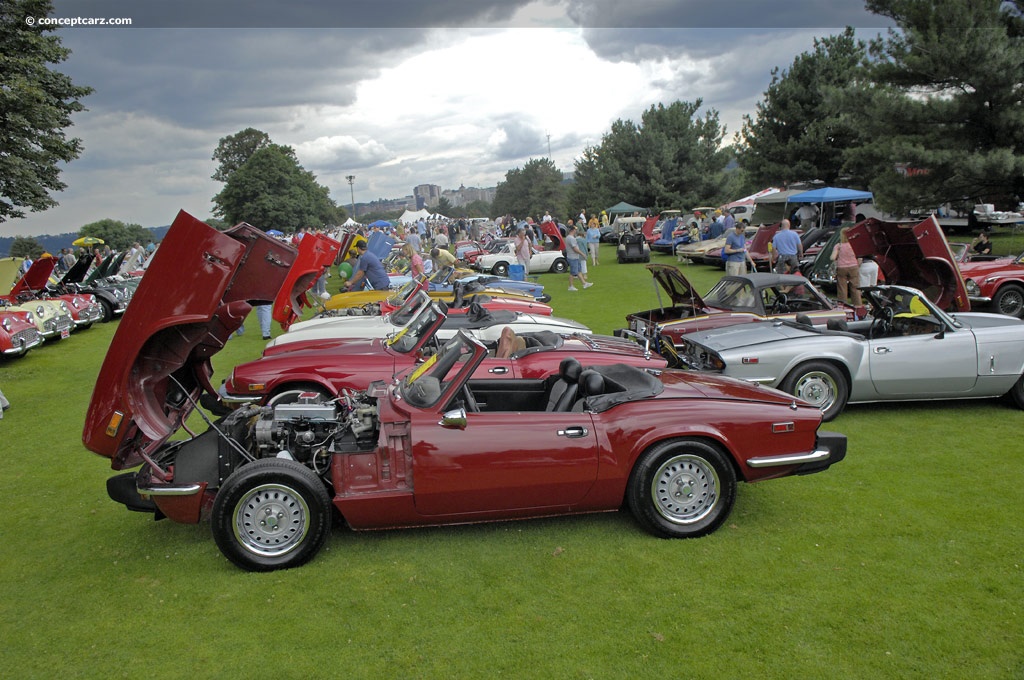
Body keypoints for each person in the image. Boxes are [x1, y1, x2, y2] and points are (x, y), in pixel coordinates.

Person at [830, 227, 863, 307]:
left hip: (842, 268)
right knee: (855, 288)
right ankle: (858, 305)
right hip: (853, 267)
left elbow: (832, 258)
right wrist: (858, 265)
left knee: (842, 288)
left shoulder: (839, 246)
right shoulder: (854, 245)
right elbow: (860, 258)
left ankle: (843, 305)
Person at [564, 225, 592, 291]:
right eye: (575, 229)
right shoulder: (571, 238)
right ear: (572, 230)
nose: (576, 230)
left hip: (574, 257)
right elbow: (575, 249)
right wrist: (583, 254)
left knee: (578, 271)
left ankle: (584, 283)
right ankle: (570, 286)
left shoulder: (569, 237)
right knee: (573, 273)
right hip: (573, 257)